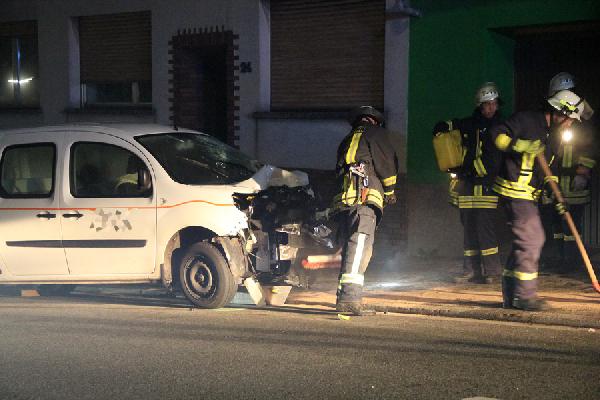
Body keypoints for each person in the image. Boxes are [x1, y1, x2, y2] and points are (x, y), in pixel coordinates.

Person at [490, 89, 585, 311]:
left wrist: (557, 195)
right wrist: (519, 145)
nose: (570, 125)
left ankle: (511, 294)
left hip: (529, 194)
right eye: (570, 120)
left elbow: (549, 170)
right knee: (532, 239)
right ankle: (525, 297)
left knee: (523, 242)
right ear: (560, 113)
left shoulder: (552, 136)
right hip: (514, 190)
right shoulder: (526, 120)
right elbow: (496, 134)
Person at [433, 82, 503, 284]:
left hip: (486, 184)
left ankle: (492, 271)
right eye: (487, 104)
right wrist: (442, 126)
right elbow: (454, 125)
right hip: (467, 185)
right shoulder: (470, 123)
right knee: (469, 229)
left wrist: (471, 170)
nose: (491, 108)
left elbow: (495, 160)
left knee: (485, 229)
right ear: (480, 105)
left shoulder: (500, 127)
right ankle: (471, 270)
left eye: (494, 103)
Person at [333, 106, 399, 316]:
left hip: (345, 203)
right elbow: (386, 163)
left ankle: (343, 295)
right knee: (360, 247)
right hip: (364, 200)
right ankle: (349, 299)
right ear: (375, 121)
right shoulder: (376, 134)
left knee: (350, 249)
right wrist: (390, 191)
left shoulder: (348, 139)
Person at [540, 72, 597, 273]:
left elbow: (591, 146)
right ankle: (560, 258)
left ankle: (572, 261)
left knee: (571, 226)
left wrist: (583, 170)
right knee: (556, 225)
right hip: (557, 182)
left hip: (574, 184)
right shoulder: (554, 119)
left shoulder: (582, 118)